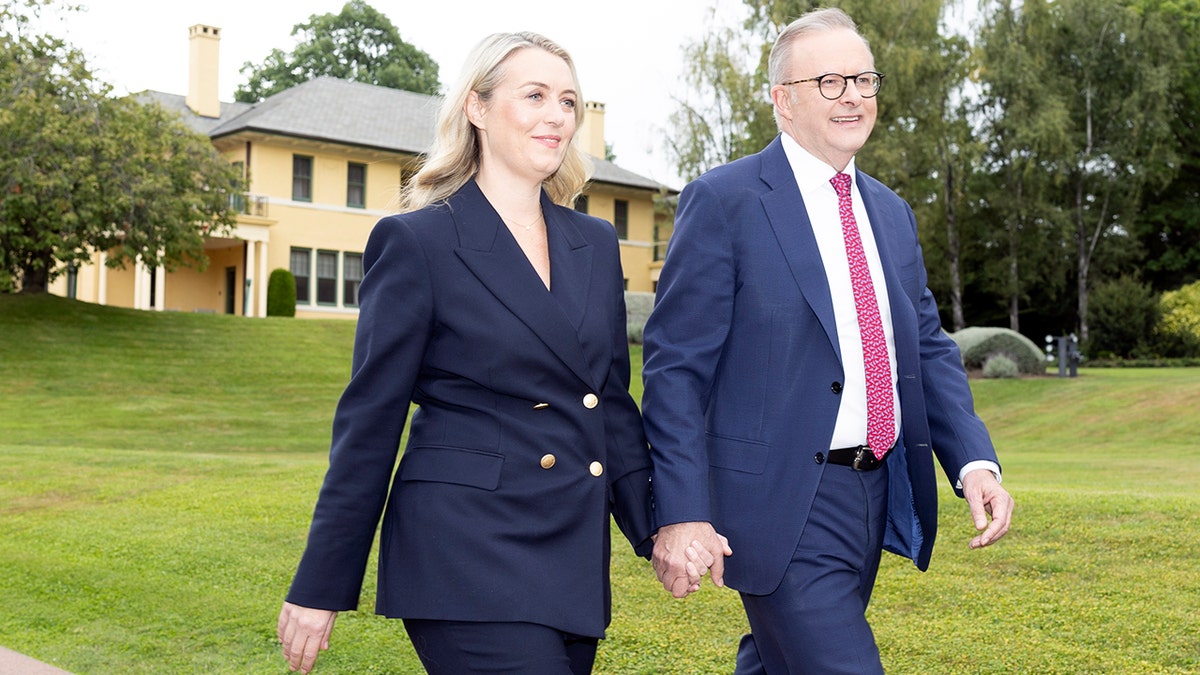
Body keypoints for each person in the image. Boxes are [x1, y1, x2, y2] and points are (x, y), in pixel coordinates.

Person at [641, 7, 1014, 674]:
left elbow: (926, 345)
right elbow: (675, 371)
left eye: (864, 80)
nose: (854, 97)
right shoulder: (724, 202)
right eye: (831, 82)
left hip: (873, 490)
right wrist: (683, 510)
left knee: (780, 658)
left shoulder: (891, 213)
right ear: (783, 101)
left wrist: (974, 461)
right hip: (781, 498)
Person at [275, 31, 654, 675]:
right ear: (476, 109)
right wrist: (321, 584)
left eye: (568, 101)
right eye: (533, 95)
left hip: (569, 555)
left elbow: (609, 404)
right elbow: (370, 423)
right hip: (462, 549)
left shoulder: (593, 242)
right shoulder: (417, 241)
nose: (556, 115)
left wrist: (660, 528)